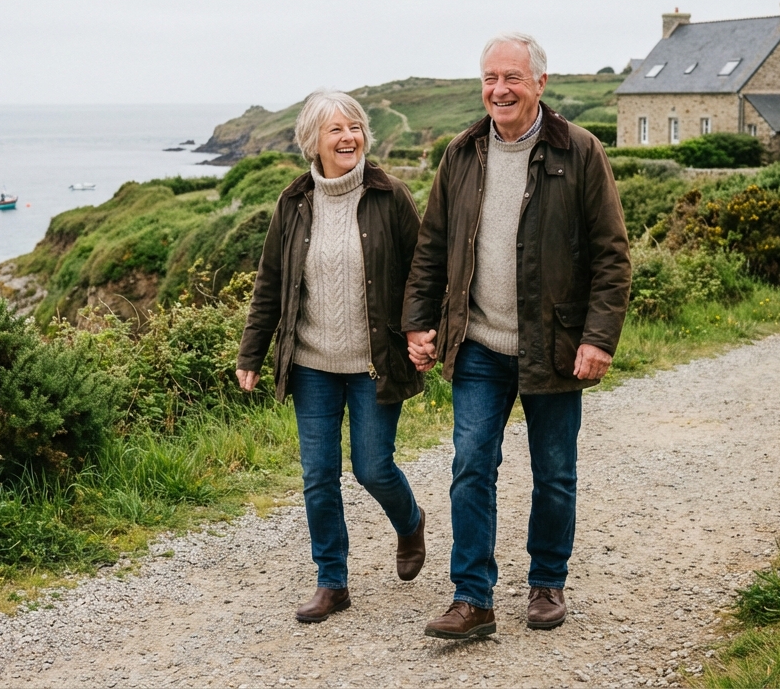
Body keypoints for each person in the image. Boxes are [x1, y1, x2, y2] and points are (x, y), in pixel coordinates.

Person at [403, 33, 631, 639]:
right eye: (490, 78)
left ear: (540, 84)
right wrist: (418, 322)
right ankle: (472, 598)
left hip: (554, 345)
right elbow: (432, 247)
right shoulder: (461, 153)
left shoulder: (580, 150)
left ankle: (547, 582)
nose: (499, 90)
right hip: (478, 344)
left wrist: (598, 338)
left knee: (554, 473)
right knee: (471, 466)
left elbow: (611, 256)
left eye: (512, 78)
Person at [236, 90, 428, 623]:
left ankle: (411, 522)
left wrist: (423, 331)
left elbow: (422, 271)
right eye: (335, 130)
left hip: (373, 363)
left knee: (373, 468)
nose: (348, 138)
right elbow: (270, 282)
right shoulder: (293, 202)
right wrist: (252, 352)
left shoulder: (391, 196)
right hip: (311, 364)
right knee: (319, 476)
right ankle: (332, 582)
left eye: (355, 127)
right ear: (313, 142)